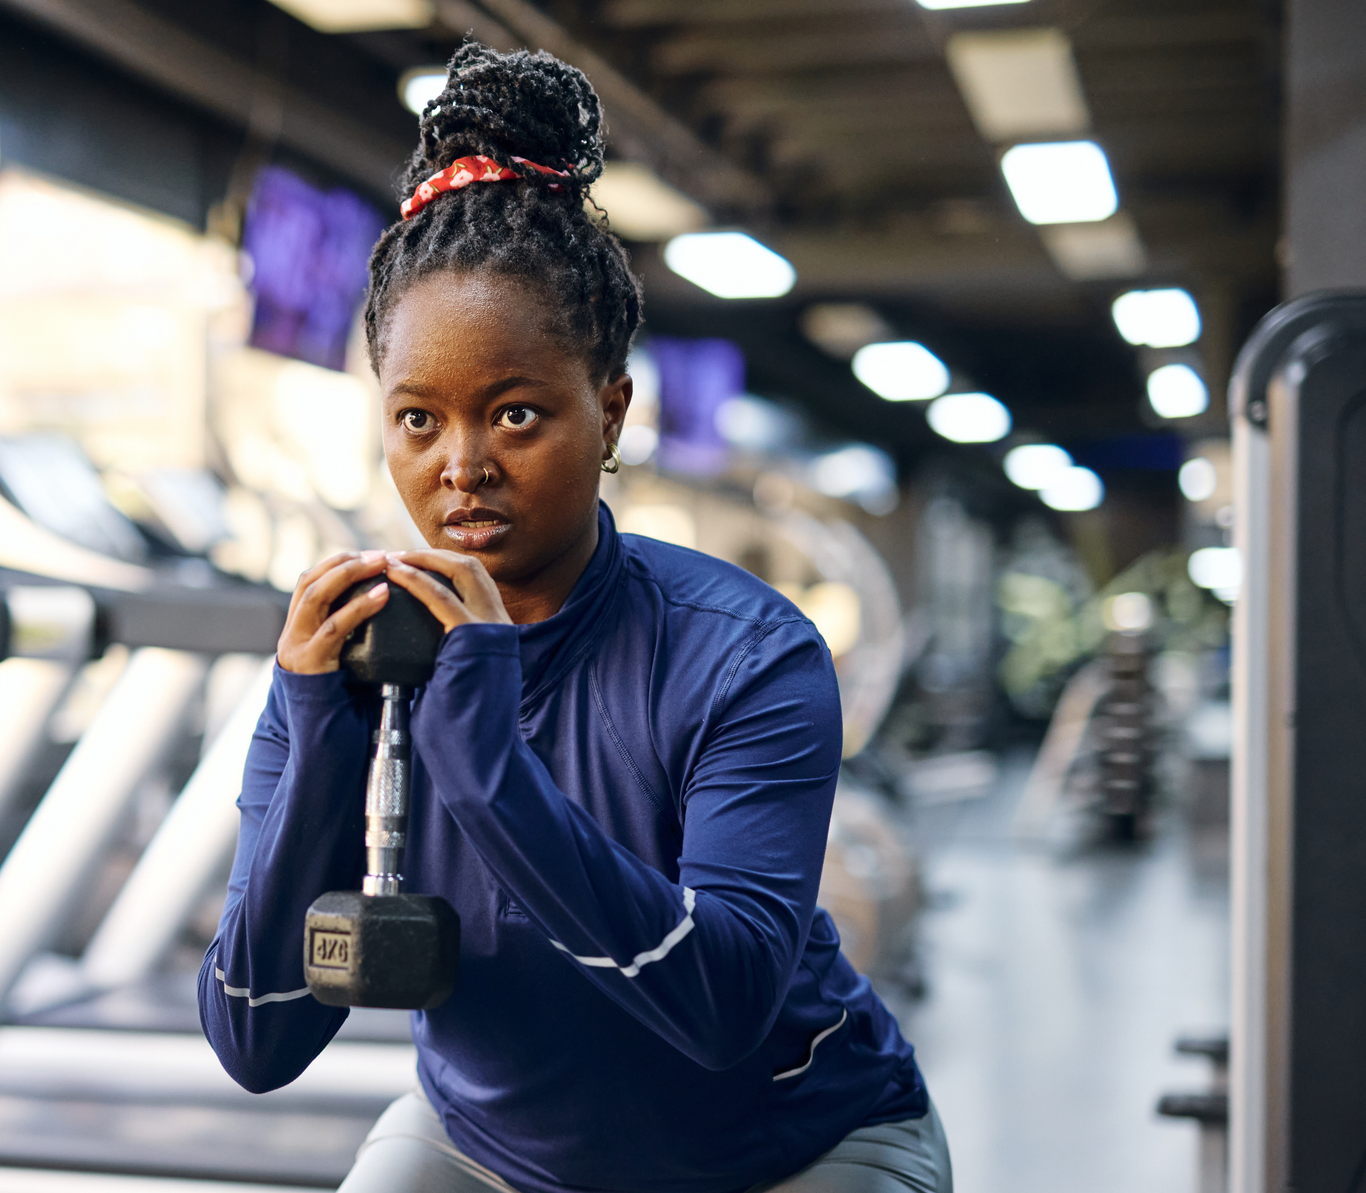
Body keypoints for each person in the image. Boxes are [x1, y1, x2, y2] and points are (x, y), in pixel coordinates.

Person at [200, 41, 948, 1193]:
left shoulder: (746, 655)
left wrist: (486, 761)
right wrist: (311, 728)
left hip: (790, 1151)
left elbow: (722, 1009)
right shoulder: (353, 659)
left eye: (512, 414)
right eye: (416, 421)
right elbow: (254, 1039)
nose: (462, 468)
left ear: (608, 413)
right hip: (490, 1151)